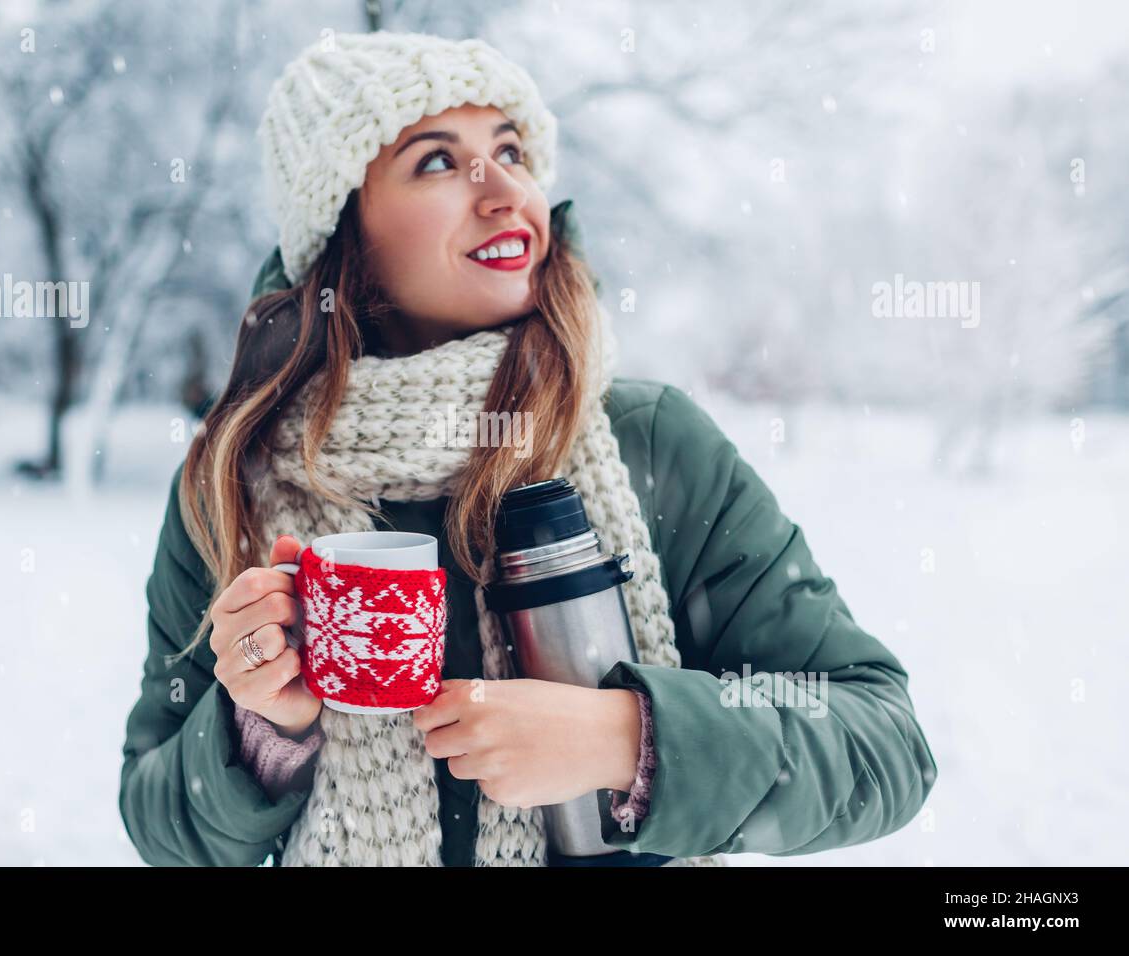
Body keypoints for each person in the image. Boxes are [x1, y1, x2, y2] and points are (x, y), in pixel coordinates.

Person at [118, 30, 937, 867]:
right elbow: (158, 820)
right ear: (344, 235)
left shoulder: (649, 442)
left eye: (510, 150)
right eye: (438, 162)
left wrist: (630, 735)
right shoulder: (233, 482)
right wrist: (255, 728)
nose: (506, 190)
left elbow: (881, 739)